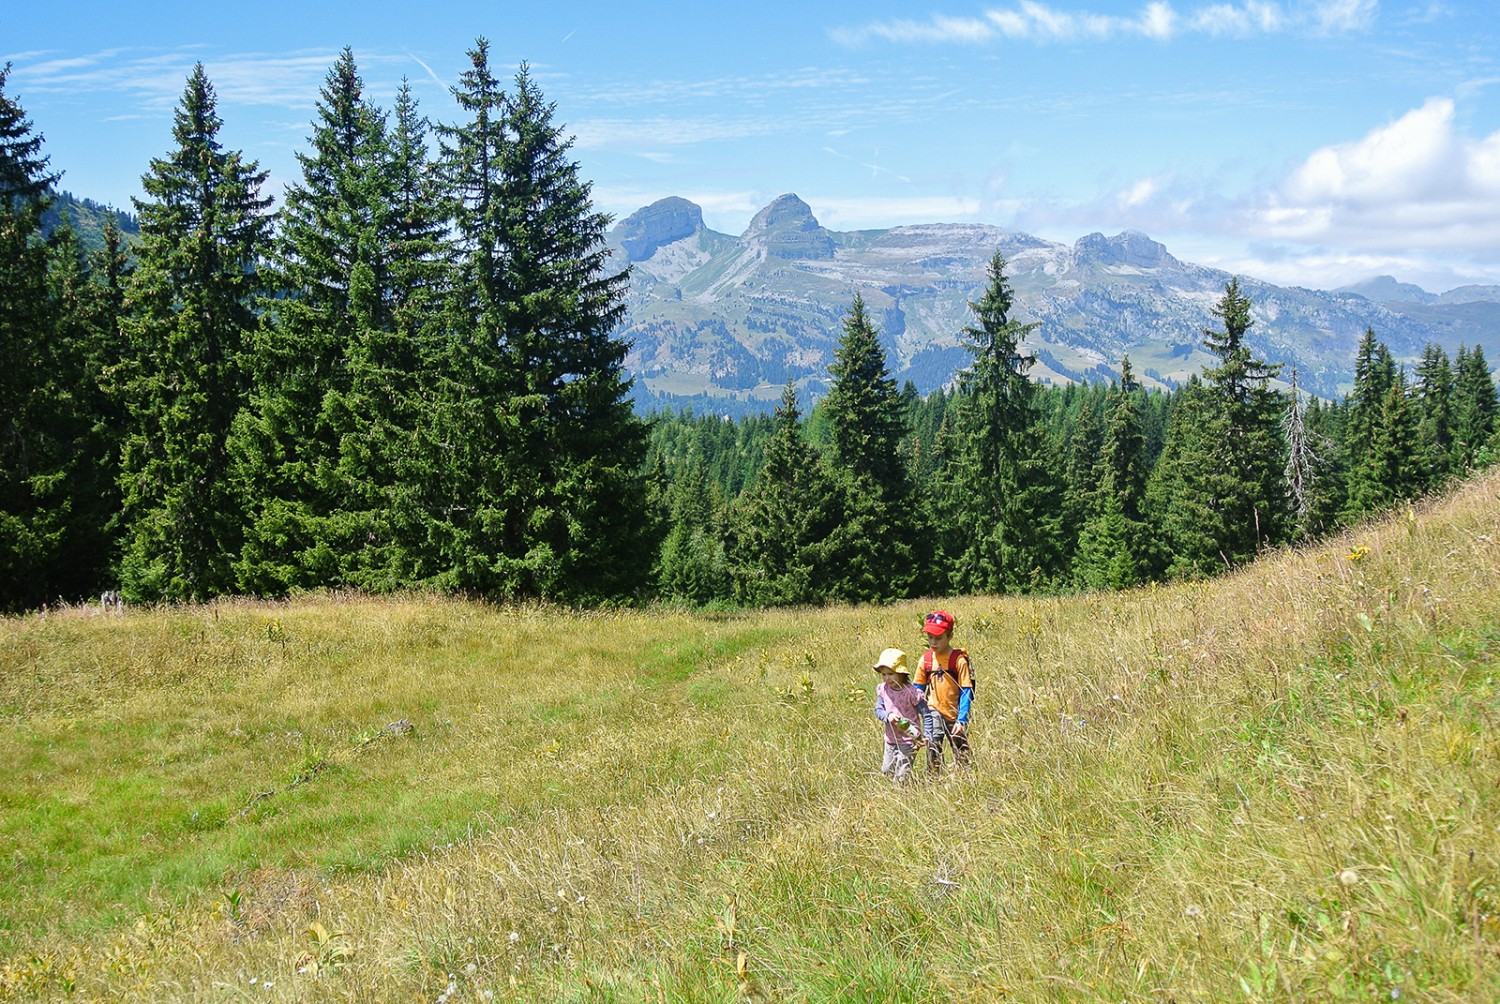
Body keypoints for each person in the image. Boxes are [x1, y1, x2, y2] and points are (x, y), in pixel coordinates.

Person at [913, 610, 973, 772]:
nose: (933, 642)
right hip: (932, 712)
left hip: (954, 714)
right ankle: (934, 779)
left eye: (938, 638)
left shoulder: (958, 660)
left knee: (961, 749)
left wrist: (962, 719)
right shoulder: (925, 660)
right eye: (930, 637)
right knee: (933, 747)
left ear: (950, 636)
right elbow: (917, 690)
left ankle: (966, 778)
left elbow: (966, 690)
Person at [872, 648, 928, 783]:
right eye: (883, 674)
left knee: (902, 775)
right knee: (887, 770)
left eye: (891, 674)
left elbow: (926, 713)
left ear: (901, 673)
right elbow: (878, 709)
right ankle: (894, 792)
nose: (887, 678)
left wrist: (926, 735)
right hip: (891, 738)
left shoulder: (911, 692)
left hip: (909, 739)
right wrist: (887, 715)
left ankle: (904, 794)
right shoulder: (883, 689)